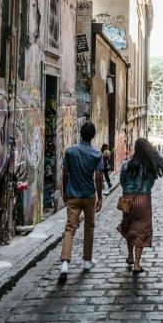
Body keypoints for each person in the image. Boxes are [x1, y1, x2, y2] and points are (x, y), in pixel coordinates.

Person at [58, 121, 104, 283]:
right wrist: (100, 196)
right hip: (89, 196)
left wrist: (64, 192)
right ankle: (86, 261)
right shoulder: (96, 154)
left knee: (70, 228)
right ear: (93, 136)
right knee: (89, 228)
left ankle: (65, 263)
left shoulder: (70, 152)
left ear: (80, 134)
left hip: (73, 195)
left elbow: (64, 174)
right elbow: (98, 177)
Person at [118, 138, 163, 274]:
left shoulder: (126, 164)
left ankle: (129, 256)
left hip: (128, 199)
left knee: (128, 227)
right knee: (140, 231)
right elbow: (151, 184)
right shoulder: (149, 166)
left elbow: (122, 181)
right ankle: (136, 265)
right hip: (144, 200)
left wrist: (129, 190)